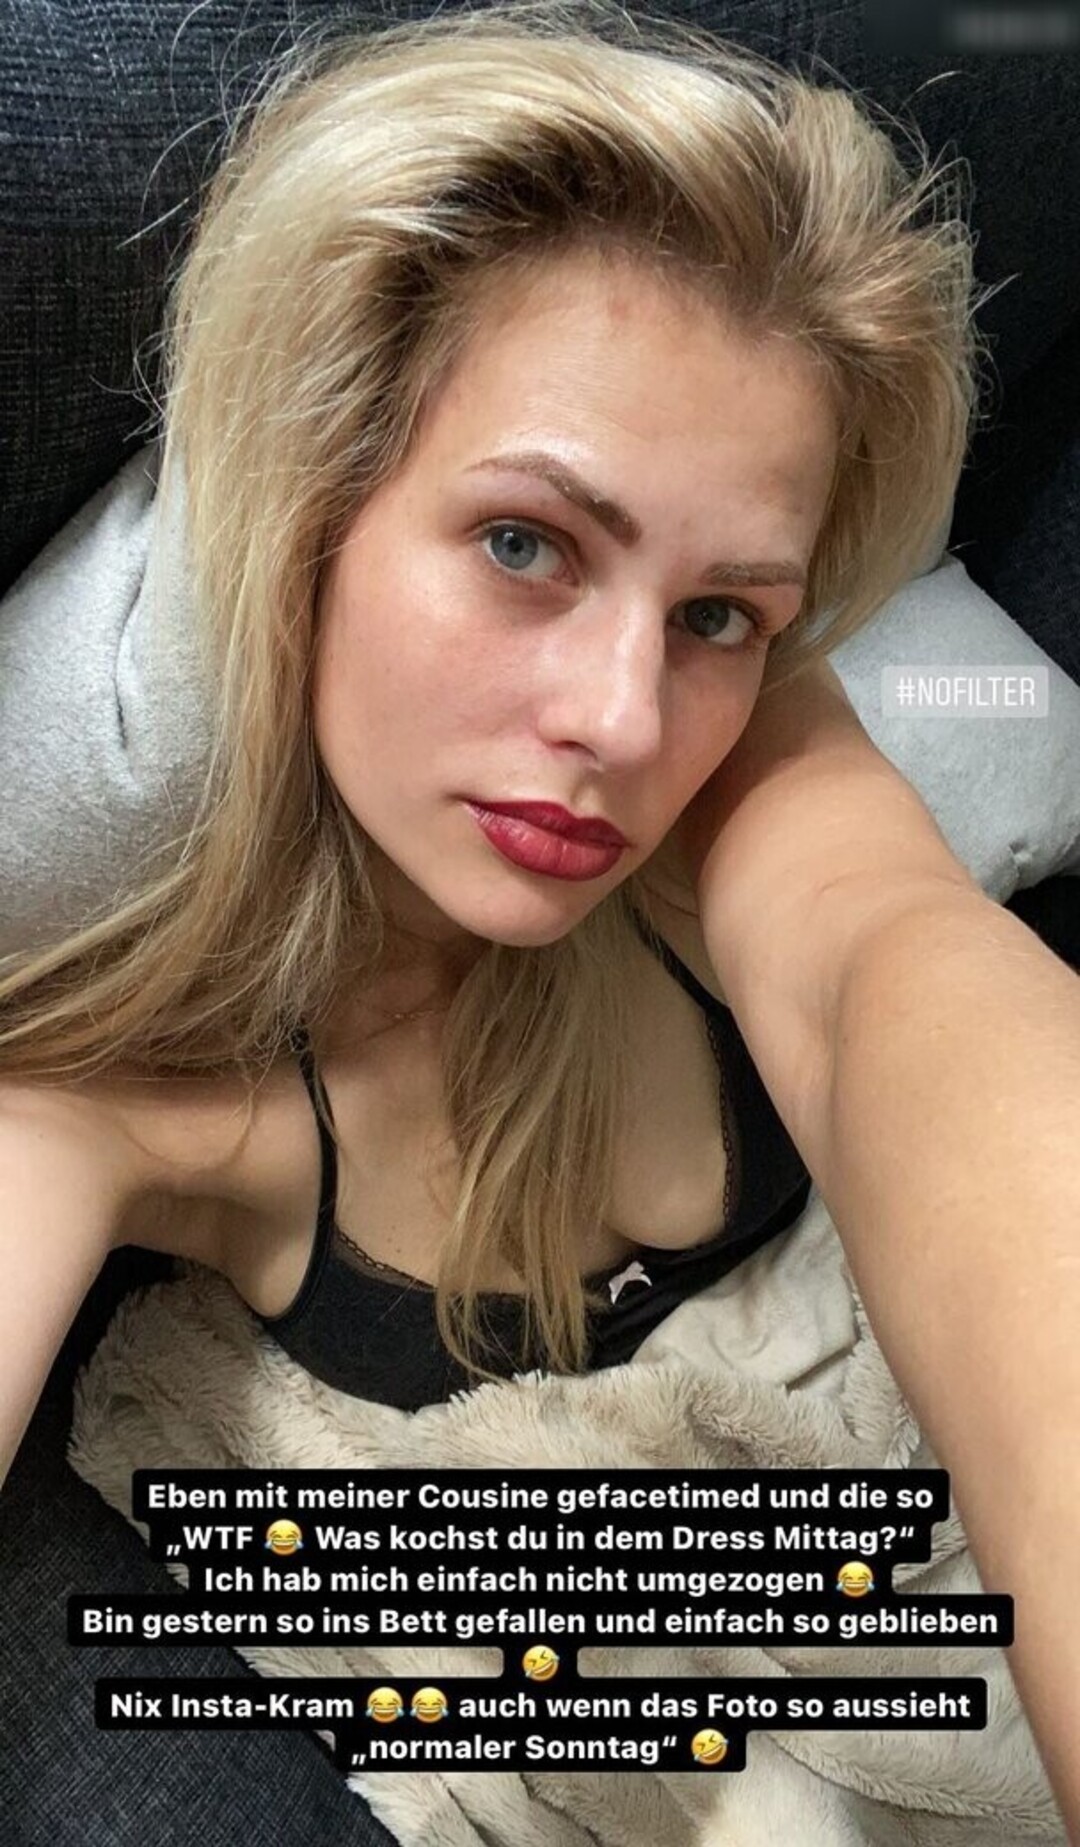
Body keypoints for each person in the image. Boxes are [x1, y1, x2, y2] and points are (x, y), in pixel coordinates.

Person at [1, 1, 1078, 1835]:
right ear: (313, 498)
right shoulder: (125, 1108)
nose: (627, 723)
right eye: (525, 544)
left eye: (721, 613)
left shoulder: (746, 762)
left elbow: (885, 963)